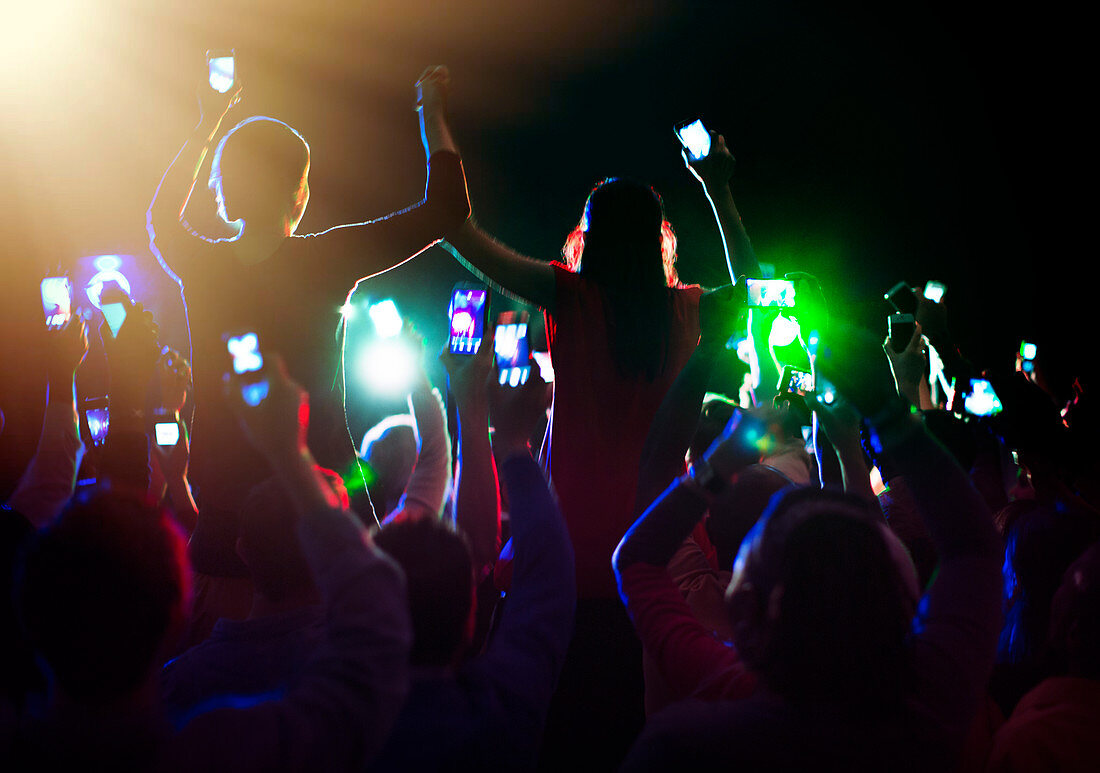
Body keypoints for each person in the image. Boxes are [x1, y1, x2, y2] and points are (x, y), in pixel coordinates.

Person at [6, 310, 413, 771]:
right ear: (179, 609)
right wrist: (286, 451)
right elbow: (381, 637)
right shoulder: (232, 745)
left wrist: (177, 473)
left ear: (31, 615)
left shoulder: (179, 682)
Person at [617, 323, 1002, 771]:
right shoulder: (932, 707)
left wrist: (720, 463)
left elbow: (637, 555)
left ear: (744, 605)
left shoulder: (694, 728)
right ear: (897, 593)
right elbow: (974, 548)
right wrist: (885, 415)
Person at [147, 64, 470, 578]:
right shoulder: (328, 260)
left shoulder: (204, 268)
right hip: (320, 495)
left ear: (220, 189)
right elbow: (447, 209)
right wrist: (429, 111)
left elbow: (162, 220)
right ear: (301, 192)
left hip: (226, 505)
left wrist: (208, 122)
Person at [368, 358, 574, 771]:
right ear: (469, 614)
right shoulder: (502, 705)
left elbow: (431, 461)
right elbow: (549, 569)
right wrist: (512, 444)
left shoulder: (328, 718)